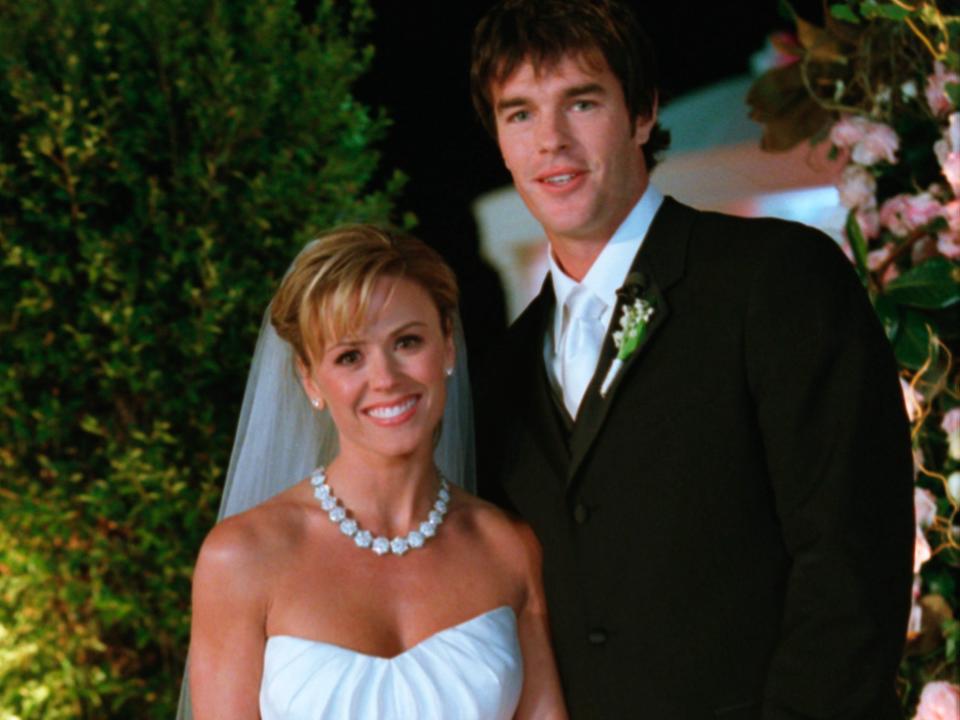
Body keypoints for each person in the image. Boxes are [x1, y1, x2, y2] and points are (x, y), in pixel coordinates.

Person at [469, 1, 915, 718]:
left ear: (642, 112)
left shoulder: (776, 278)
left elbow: (851, 561)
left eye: (580, 103)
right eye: (519, 113)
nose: (549, 141)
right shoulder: (499, 375)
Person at [185, 225, 567, 719]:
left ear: (447, 346)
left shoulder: (509, 548)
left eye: (407, 342)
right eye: (349, 356)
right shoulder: (240, 558)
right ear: (310, 379)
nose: (385, 379)